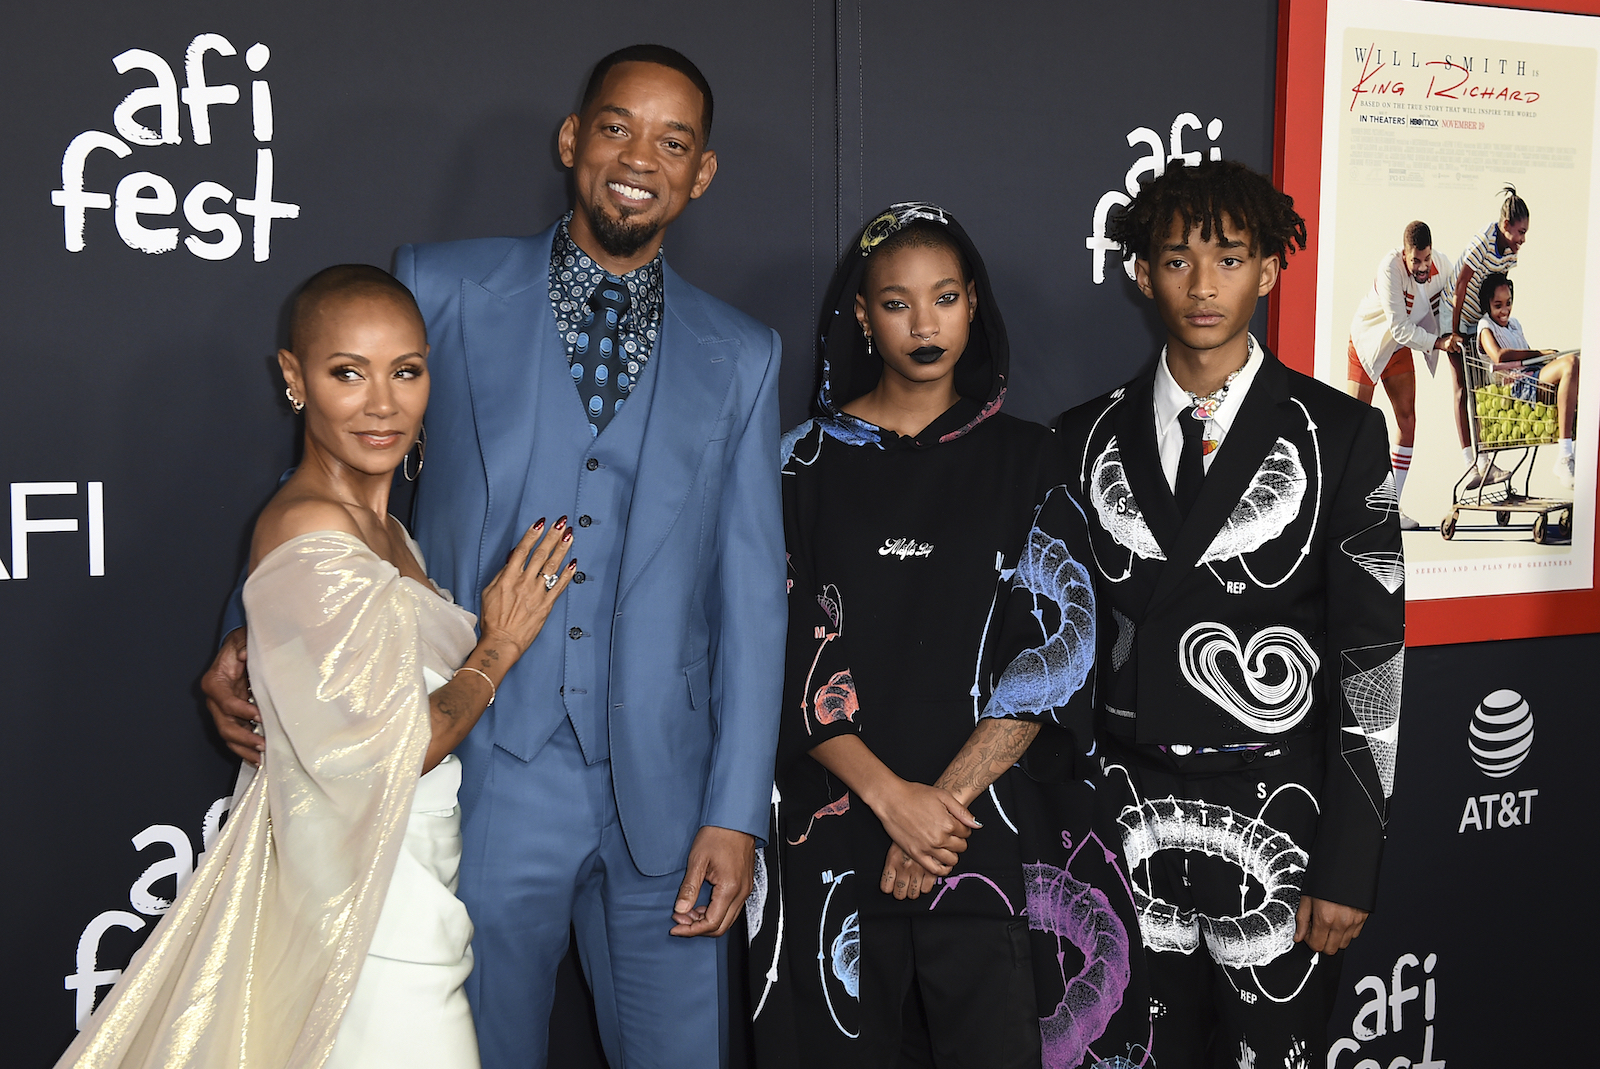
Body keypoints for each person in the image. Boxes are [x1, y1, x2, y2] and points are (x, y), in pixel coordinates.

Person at [202, 46, 786, 1069]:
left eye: (672, 140)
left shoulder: (743, 353)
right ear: (572, 140)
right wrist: (255, 633)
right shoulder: (445, 285)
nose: (638, 157)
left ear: (701, 173)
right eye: (615, 126)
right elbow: (341, 466)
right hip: (485, 770)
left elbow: (752, 596)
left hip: (670, 789)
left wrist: (737, 813)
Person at [57, 265, 575, 1068]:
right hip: (362, 910)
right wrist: (498, 647)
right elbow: (400, 748)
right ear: (295, 379)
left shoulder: (391, 536)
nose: (382, 403)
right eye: (347, 373)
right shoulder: (310, 532)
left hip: (405, 885)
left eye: (406, 371)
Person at [749, 203, 1150, 1069]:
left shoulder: (1030, 459)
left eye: (945, 297)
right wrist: (895, 803)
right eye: (896, 303)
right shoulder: (797, 466)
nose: (924, 324)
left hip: (984, 842)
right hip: (836, 846)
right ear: (861, 314)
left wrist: (941, 810)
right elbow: (774, 647)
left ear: (975, 304)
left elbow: (1061, 651)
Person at [1056, 160, 1403, 1069]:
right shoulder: (1081, 435)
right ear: (1140, 272)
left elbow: (1372, 663)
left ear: (1270, 270)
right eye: (1176, 258)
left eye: (1230, 256)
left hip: (1282, 824)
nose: (1203, 285)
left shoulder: (1343, 434)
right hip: (1123, 823)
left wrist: (1347, 862)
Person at [1345, 221, 1460, 527]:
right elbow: (1398, 327)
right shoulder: (1389, 268)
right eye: (1416, 261)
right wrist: (1438, 342)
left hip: (1399, 347)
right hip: (1368, 343)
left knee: (1407, 421)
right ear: (1404, 254)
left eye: (1426, 259)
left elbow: (1453, 306)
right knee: (1354, 427)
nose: (1423, 267)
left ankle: (1390, 507)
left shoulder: (1443, 265)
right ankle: (1342, 507)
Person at [1449, 185, 1531, 492]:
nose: (1523, 238)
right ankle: (1473, 461)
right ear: (1507, 225)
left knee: (1483, 389)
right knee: (1462, 387)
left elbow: (1501, 289)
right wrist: (1455, 330)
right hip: (1455, 315)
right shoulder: (1482, 242)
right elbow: (1460, 283)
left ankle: (1484, 462)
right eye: (1520, 231)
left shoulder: (1511, 254)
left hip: (1478, 320)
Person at [1474, 272, 1580, 490]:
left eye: (1509, 303)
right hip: (1517, 388)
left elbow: (1527, 357)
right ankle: (1564, 455)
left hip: (1532, 376)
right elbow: (1499, 356)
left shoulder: (1514, 325)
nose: (1505, 310)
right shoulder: (1485, 326)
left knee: (1579, 367)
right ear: (1488, 305)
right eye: (1498, 305)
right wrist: (1540, 352)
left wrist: (1542, 357)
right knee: (1569, 363)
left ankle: (1576, 453)